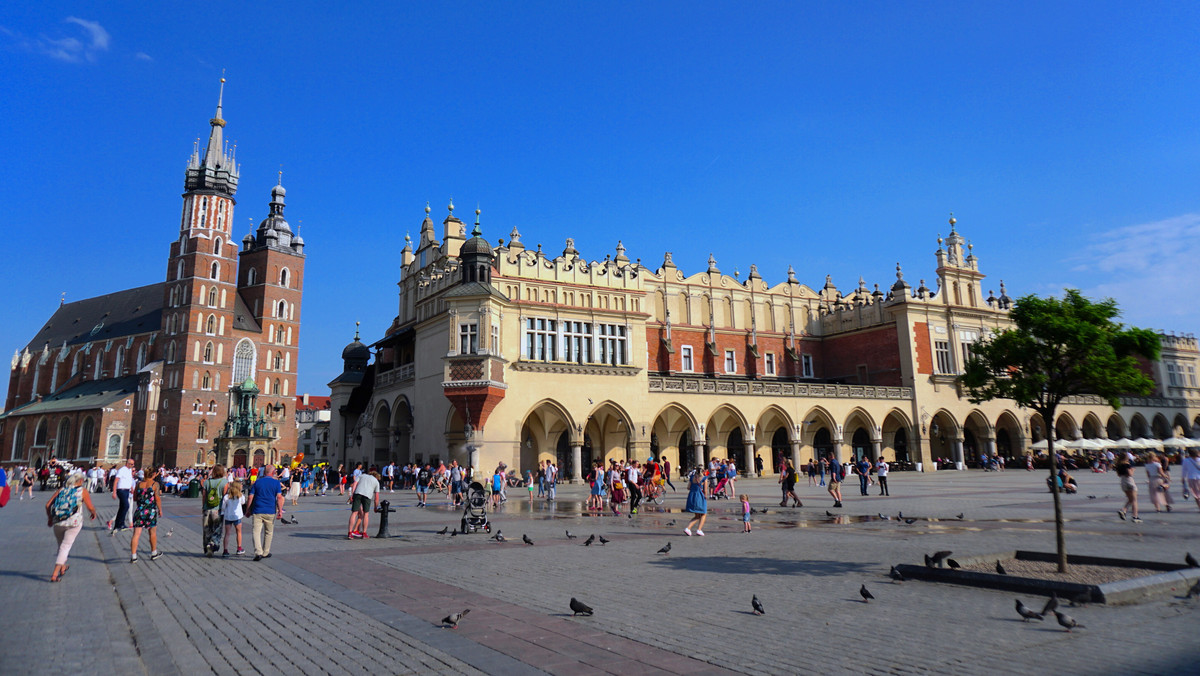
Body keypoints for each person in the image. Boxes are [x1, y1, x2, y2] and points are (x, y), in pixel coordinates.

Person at [46, 472, 98, 581]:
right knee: (65, 547)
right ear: (80, 481)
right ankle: (55, 574)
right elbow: (90, 507)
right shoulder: (82, 491)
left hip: (58, 522)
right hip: (74, 523)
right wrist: (94, 513)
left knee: (61, 547)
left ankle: (62, 567)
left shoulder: (61, 490)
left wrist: (50, 518)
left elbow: (47, 505)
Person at [245, 464, 284, 560]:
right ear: (273, 472)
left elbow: (250, 497)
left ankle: (258, 552)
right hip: (270, 510)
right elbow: (279, 497)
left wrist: (248, 509)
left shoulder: (257, 482)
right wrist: (280, 510)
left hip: (258, 510)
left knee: (256, 532)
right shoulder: (276, 483)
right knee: (268, 532)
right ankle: (265, 552)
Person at [129, 466, 163, 563]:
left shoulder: (139, 484)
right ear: (153, 474)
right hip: (151, 511)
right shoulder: (155, 484)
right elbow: (157, 499)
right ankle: (153, 553)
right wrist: (160, 510)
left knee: (136, 534)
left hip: (139, 510)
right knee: (152, 533)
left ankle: (133, 556)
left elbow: (135, 498)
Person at [201, 465, 228, 557]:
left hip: (207, 509)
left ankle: (207, 546)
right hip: (218, 509)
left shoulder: (207, 482)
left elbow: (204, 496)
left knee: (207, 529)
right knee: (217, 528)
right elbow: (225, 497)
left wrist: (203, 506)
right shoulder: (224, 482)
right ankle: (213, 544)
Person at [348, 469, 381, 539]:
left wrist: (352, 494)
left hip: (357, 493)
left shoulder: (362, 476)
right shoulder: (376, 482)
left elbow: (354, 484)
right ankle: (364, 533)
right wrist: (376, 507)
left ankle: (350, 532)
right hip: (367, 496)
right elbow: (376, 497)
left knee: (354, 513)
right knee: (366, 514)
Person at [110, 458, 136, 533]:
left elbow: (129, 480)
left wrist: (131, 488)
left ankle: (116, 525)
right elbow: (116, 481)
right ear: (127, 463)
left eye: (133, 464)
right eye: (131, 464)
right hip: (121, 490)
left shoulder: (129, 470)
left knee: (122, 507)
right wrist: (114, 492)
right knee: (126, 506)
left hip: (127, 490)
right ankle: (121, 524)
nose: (132, 465)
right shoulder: (122, 470)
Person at [221, 479, 246, 556]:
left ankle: (225, 550)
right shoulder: (240, 496)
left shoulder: (226, 496)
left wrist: (222, 513)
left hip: (228, 516)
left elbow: (223, 507)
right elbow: (243, 502)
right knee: (238, 532)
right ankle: (239, 548)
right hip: (237, 516)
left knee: (227, 533)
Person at [683, 467, 708, 536]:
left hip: (692, 495)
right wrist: (705, 496)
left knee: (697, 515)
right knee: (703, 513)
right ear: (703, 471)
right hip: (699, 496)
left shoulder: (692, 477)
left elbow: (688, 487)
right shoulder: (704, 479)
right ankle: (698, 530)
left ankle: (688, 528)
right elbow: (705, 490)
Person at [1115, 458, 1140, 523]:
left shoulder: (1118, 465)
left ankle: (1123, 510)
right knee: (1134, 500)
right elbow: (1130, 474)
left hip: (1123, 481)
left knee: (1130, 499)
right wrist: (1133, 469)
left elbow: (1118, 475)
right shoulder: (1127, 465)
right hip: (1129, 481)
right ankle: (1135, 516)